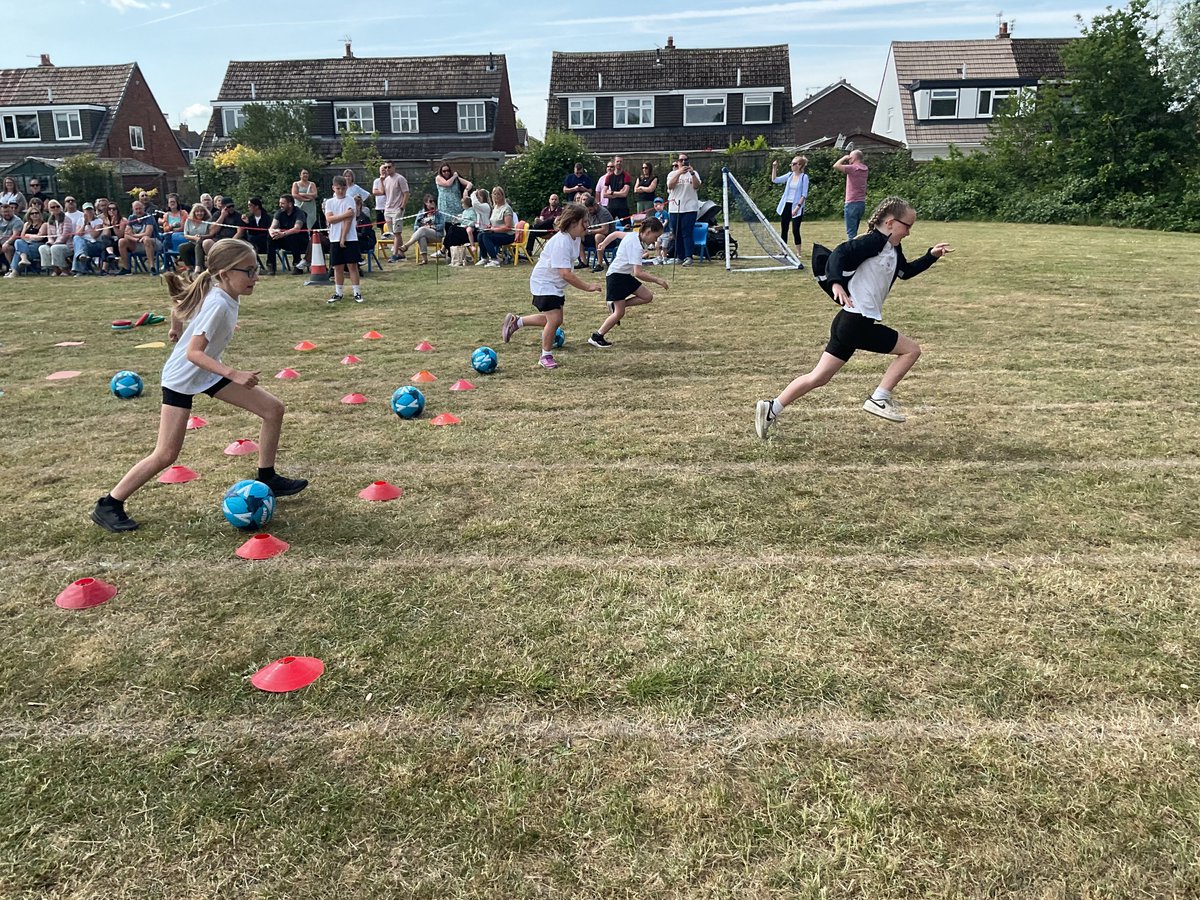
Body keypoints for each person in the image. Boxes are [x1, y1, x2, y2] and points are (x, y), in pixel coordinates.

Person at [90, 239, 308, 533]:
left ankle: (266, 477)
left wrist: (177, 327)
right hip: (183, 377)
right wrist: (233, 373)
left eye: (255, 270)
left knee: (273, 409)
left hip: (205, 373)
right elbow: (193, 353)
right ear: (226, 274)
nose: (255, 277)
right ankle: (109, 504)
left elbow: (181, 304)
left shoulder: (221, 293)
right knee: (166, 454)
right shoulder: (218, 303)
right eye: (249, 271)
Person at [754, 197, 953, 440]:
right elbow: (839, 254)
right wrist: (835, 282)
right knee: (911, 350)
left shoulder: (892, 248)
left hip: (848, 323)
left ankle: (771, 408)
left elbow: (904, 272)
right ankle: (879, 398)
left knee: (819, 377)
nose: (909, 232)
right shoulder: (872, 242)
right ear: (890, 223)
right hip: (856, 322)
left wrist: (931, 256)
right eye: (907, 226)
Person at [500, 204, 601, 370]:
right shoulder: (562, 241)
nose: (587, 225)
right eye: (585, 222)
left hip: (553, 285)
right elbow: (566, 274)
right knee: (554, 320)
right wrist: (588, 287)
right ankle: (545, 356)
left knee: (555, 320)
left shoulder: (574, 239)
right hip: (544, 283)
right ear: (574, 222)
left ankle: (516, 322)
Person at [587, 217, 668, 349]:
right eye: (655, 236)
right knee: (619, 313)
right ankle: (596, 336)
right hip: (616, 277)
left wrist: (604, 244)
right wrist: (657, 280)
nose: (655, 240)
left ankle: (616, 305)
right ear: (647, 232)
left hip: (623, 275)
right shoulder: (636, 245)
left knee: (647, 296)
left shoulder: (633, 235)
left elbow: (614, 234)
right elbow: (638, 273)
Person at [324, 175, 362, 304]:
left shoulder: (350, 200)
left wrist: (343, 237)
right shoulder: (329, 202)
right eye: (338, 188)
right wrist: (343, 215)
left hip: (350, 237)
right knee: (337, 266)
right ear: (333, 188)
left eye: (343, 188)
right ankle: (338, 292)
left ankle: (357, 292)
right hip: (334, 237)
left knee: (352, 265)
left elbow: (349, 219)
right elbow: (330, 219)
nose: (341, 191)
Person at [771, 155, 809, 265]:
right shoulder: (789, 175)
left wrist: (797, 207)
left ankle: (798, 252)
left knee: (795, 229)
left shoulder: (804, 177)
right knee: (784, 229)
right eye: (791, 164)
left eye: (793, 164)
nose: (791, 166)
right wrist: (774, 168)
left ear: (799, 165)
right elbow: (775, 180)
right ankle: (783, 251)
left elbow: (804, 194)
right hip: (786, 205)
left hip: (796, 205)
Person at [666, 153, 701, 266]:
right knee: (677, 233)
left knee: (687, 233)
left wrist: (691, 173)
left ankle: (688, 256)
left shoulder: (694, 173)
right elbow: (670, 186)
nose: (683, 162)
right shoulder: (672, 174)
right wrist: (679, 173)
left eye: (686, 160)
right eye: (681, 160)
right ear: (678, 162)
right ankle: (680, 256)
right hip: (675, 208)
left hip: (689, 208)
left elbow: (696, 186)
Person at [372, 161, 410, 262]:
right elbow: (382, 192)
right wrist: (381, 180)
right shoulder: (386, 180)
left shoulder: (400, 178)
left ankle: (394, 255)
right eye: (385, 168)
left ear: (394, 167)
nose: (387, 169)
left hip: (397, 209)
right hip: (387, 209)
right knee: (392, 233)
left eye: (389, 167)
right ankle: (401, 253)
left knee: (397, 232)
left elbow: (406, 193)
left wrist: (402, 206)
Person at [833, 149, 870, 240]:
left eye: (850, 157)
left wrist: (844, 158)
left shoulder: (853, 168)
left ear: (853, 158)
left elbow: (836, 166)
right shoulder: (865, 169)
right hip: (861, 203)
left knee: (851, 234)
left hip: (851, 203)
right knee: (855, 232)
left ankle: (852, 252)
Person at [267, 194, 308, 275]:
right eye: (280, 203)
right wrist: (272, 233)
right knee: (270, 238)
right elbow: (272, 226)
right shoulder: (279, 213)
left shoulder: (299, 213)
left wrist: (283, 234)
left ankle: (297, 265)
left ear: (290, 204)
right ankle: (271, 266)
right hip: (285, 239)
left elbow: (297, 228)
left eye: (282, 203)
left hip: (301, 240)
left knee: (293, 236)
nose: (280, 205)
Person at [399, 195, 444, 265]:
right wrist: (422, 227)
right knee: (421, 236)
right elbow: (415, 227)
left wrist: (431, 226)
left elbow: (442, 226)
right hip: (423, 233)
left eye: (434, 201)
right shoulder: (421, 213)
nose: (433, 203)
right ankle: (425, 259)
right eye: (431, 201)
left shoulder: (438, 213)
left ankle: (406, 246)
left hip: (436, 234)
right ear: (426, 202)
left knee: (422, 230)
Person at [477, 186, 515, 267]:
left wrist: (493, 230)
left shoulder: (507, 208)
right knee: (480, 235)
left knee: (486, 236)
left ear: (502, 195)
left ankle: (494, 259)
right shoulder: (495, 208)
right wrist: (489, 227)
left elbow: (507, 227)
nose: (496, 196)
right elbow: (494, 223)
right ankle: (484, 257)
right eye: (494, 194)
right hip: (496, 232)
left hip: (508, 235)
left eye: (498, 194)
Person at [38, 199, 75, 276]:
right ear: (49, 209)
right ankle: (55, 269)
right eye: (52, 207)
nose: (55, 208)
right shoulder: (50, 221)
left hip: (67, 245)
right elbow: (49, 235)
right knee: (42, 248)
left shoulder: (66, 219)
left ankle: (65, 269)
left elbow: (66, 235)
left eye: (57, 206)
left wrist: (55, 243)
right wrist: (50, 242)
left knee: (55, 248)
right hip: (54, 244)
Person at [5, 206, 45, 275]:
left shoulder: (44, 224)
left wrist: (29, 236)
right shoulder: (26, 224)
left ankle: (14, 271)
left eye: (36, 213)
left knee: (18, 251)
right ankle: (22, 260)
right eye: (32, 213)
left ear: (40, 214)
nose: (34, 215)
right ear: (29, 215)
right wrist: (30, 238)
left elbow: (40, 237)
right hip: (26, 244)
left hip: (38, 245)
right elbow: (22, 236)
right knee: (18, 242)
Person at [178, 203, 211, 272]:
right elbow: (186, 235)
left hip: (203, 243)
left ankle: (199, 267)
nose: (199, 213)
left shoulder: (208, 221)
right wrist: (194, 238)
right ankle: (189, 266)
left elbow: (210, 234)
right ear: (194, 212)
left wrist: (201, 237)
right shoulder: (189, 221)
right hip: (192, 242)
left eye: (201, 211)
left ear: (204, 212)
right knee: (182, 247)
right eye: (197, 211)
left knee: (198, 244)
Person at [243, 196, 272, 264]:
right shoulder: (250, 218)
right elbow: (251, 232)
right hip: (254, 241)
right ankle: (256, 263)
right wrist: (247, 223)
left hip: (265, 241)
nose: (248, 207)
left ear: (256, 206)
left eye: (250, 205)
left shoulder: (267, 217)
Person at [604, 156, 631, 222]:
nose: (619, 163)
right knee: (609, 226)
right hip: (611, 206)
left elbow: (625, 194)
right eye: (617, 161)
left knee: (627, 227)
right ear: (614, 163)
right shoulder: (609, 177)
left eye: (620, 161)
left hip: (622, 206)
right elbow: (604, 194)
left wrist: (612, 192)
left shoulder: (626, 176)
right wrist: (619, 193)